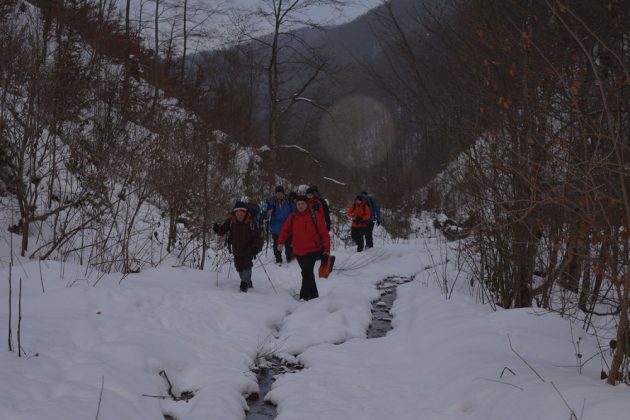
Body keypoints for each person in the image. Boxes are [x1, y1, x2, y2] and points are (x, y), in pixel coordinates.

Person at [278, 195, 330, 301]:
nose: (300, 206)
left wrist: (326, 251)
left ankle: (304, 297)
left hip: (313, 250)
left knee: (306, 273)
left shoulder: (315, 215)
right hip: (298, 251)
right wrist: (281, 242)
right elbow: (285, 230)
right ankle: (315, 296)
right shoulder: (293, 217)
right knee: (308, 273)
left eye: (302, 204)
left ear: (307, 204)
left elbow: (324, 234)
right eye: (298, 204)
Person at [213, 201, 263, 292]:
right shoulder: (231, 221)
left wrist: (256, 247)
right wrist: (217, 229)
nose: (239, 214)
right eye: (237, 212)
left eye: (241, 212)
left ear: (245, 212)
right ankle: (248, 282)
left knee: (247, 266)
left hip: (249, 249)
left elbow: (258, 237)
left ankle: (244, 285)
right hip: (236, 249)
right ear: (235, 212)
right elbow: (222, 230)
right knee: (239, 268)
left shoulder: (251, 222)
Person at [267, 185, 295, 264]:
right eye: (278, 193)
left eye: (281, 193)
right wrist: (269, 209)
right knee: (277, 243)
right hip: (276, 227)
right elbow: (268, 213)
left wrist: (291, 219)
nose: (279, 195)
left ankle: (289, 256)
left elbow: (294, 211)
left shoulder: (289, 201)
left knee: (288, 243)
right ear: (275, 194)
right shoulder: (272, 202)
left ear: (283, 193)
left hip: (288, 226)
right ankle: (278, 257)